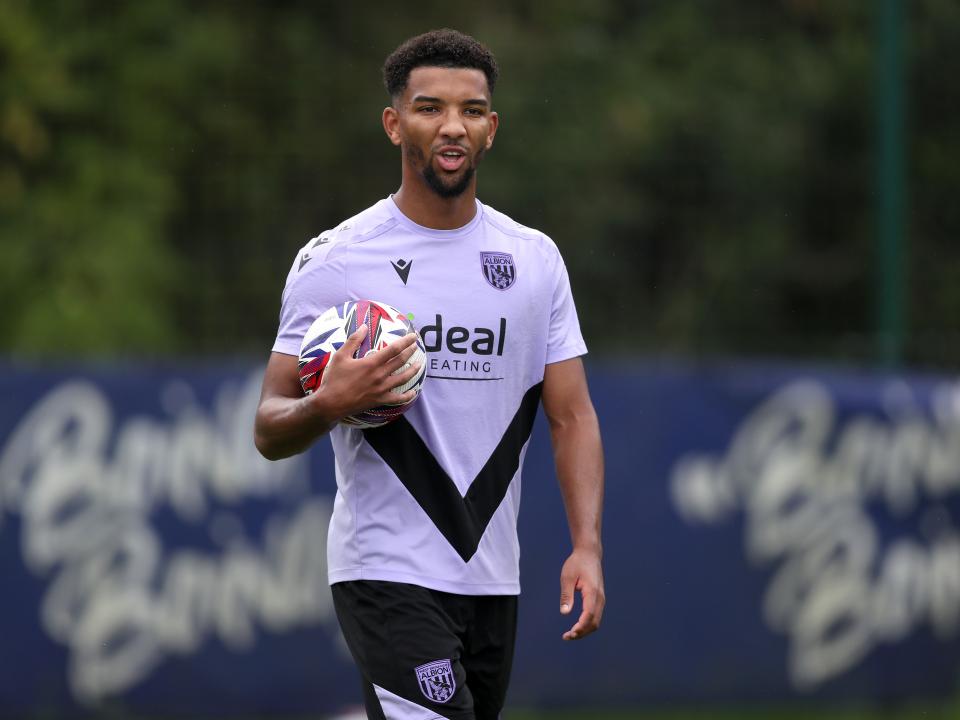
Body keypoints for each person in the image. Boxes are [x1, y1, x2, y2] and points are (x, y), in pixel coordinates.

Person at [254, 28, 604, 720]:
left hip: (492, 580)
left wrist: (587, 545)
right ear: (394, 123)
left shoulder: (533, 262)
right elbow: (268, 424)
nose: (453, 127)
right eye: (429, 107)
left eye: (472, 110)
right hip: (384, 571)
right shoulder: (335, 263)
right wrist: (328, 403)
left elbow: (572, 415)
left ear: (492, 129)